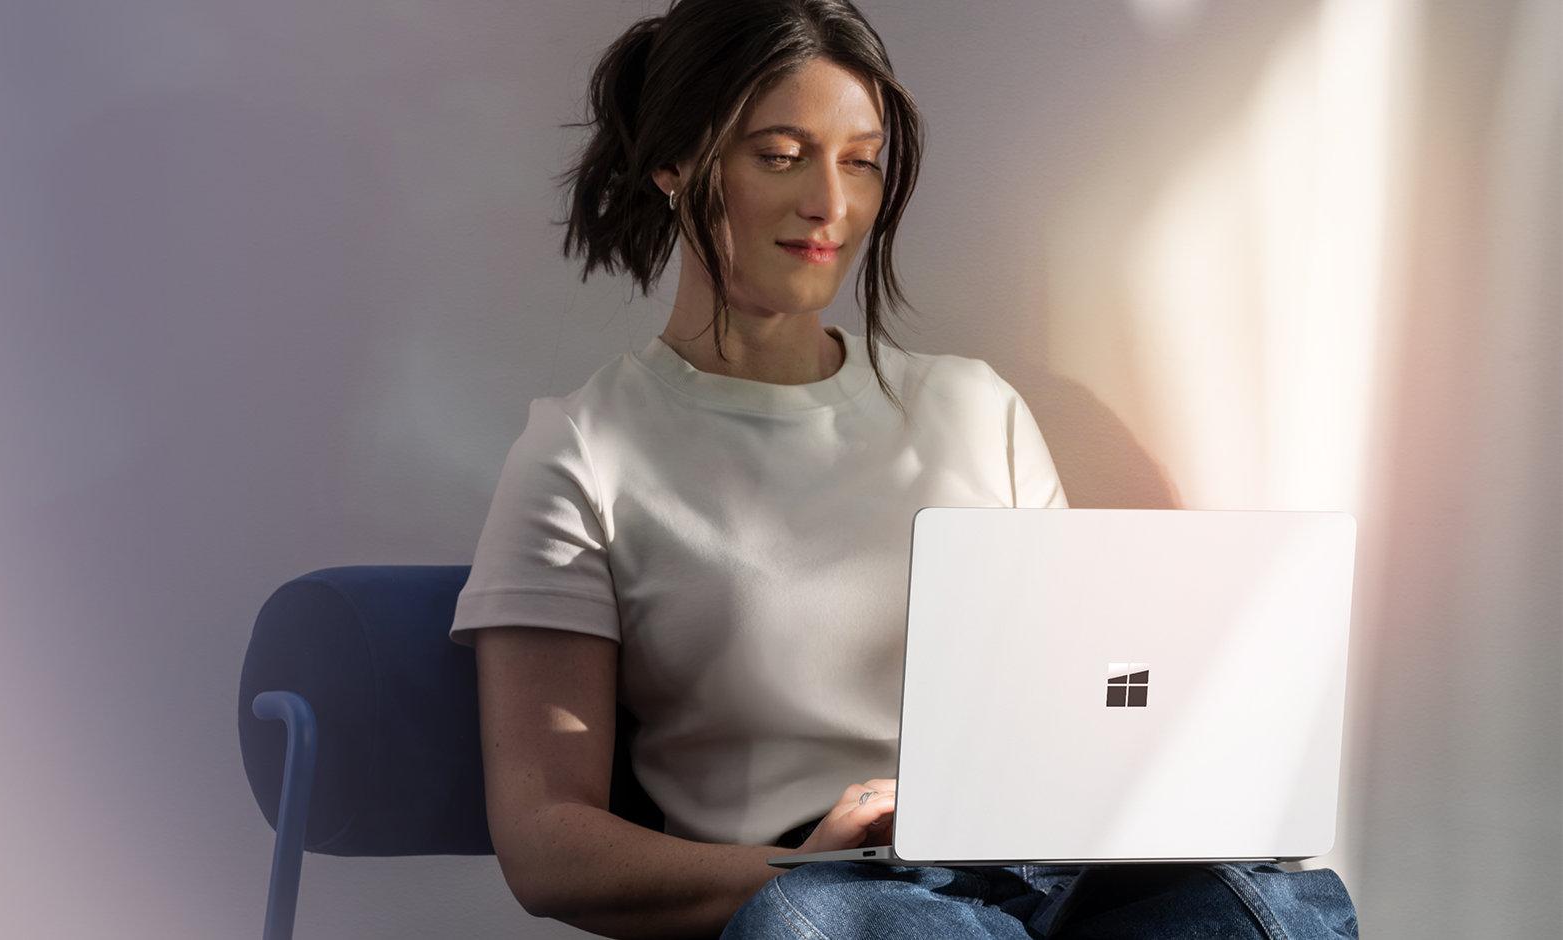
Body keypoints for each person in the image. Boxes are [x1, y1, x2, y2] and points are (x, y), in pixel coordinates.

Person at [450, 1, 1359, 938]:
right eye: (780, 155)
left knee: (1266, 903)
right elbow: (548, 843)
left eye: (861, 160)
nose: (829, 206)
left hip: (1038, 880)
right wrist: (801, 866)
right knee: (850, 924)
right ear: (677, 163)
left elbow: (1071, 711)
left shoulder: (975, 409)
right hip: (828, 894)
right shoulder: (581, 453)